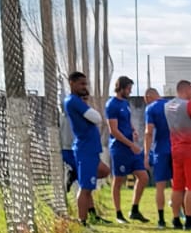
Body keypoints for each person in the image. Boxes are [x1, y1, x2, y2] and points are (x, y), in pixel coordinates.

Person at [62, 70, 107, 225]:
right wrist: (87, 106)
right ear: (72, 83)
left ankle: (77, 175)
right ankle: (83, 221)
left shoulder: (79, 101)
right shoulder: (73, 101)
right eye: (81, 84)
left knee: (103, 171)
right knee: (86, 186)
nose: (84, 87)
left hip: (91, 148)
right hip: (85, 148)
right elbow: (97, 118)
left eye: (85, 84)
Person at [165, 79, 191, 230]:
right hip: (190, 148)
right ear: (188, 90)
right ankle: (188, 221)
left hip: (175, 148)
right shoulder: (189, 105)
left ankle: (176, 220)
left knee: (177, 186)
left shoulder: (167, 106)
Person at [105, 76, 147, 223]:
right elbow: (114, 131)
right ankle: (118, 214)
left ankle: (134, 210)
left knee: (143, 177)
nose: (130, 91)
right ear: (121, 88)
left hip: (130, 147)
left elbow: (127, 121)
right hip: (120, 148)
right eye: (128, 88)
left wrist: (133, 130)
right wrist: (131, 144)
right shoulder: (112, 105)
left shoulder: (125, 103)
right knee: (118, 180)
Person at [142, 86, 173, 227]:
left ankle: (161, 219)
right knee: (177, 184)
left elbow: (149, 132)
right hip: (176, 148)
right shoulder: (172, 105)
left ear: (148, 97)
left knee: (160, 186)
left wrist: (146, 154)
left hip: (160, 149)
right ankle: (181, 216)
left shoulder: (151, 109)